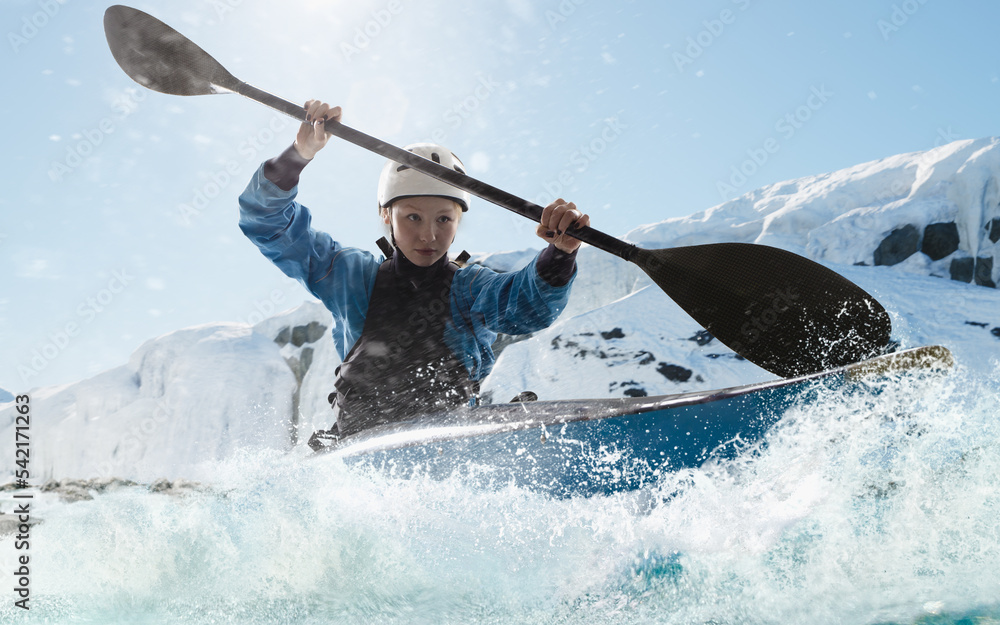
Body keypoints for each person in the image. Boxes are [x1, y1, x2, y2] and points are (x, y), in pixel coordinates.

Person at [238, 100, 590, 442]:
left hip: (448, 439)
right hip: (359, 441)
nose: (429, 235)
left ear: (458, 221)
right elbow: (265, 221)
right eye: (412, 217)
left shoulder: (470, 287)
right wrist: (299, 153)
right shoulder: (348, 275)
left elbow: (528, 308)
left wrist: (559, 254)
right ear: (386, 215)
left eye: (444, 219)